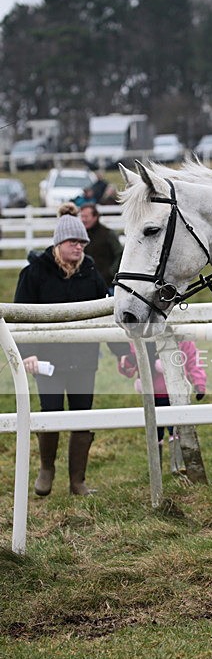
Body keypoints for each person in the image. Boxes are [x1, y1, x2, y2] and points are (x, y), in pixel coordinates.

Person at [14, 211, 109, 496]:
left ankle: (77, 480)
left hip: (84, 360)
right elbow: (21, 316)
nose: (79, 247)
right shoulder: (34, 272)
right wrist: (27, 353)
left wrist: (125, 353)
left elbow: (104, 313)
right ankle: (46, 471)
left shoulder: (90, 271)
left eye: (82, 242)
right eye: (72, 241)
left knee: (83, 415)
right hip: (46, 361)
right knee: (51, 411)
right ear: (58, 243)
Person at [118, 341, 207, 474]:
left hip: (176, 395)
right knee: (154, 432)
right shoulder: (141, 341)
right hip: (152, 397)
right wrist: (127, 362)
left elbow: (193, 361)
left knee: (176, 430)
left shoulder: (183, 340)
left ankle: (177, 466)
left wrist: (199, 383)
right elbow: (128, 368)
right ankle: (155, 468)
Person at [79, 202, 123, 293]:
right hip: (86, 285)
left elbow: (119, 254)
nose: (83, 219)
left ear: (95, 217)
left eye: (86, 217)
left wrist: (111, 273)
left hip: (107, 284)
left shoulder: (108, 234)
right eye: (82, 216)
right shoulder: (79, 237)